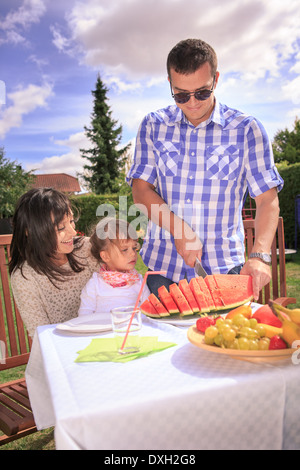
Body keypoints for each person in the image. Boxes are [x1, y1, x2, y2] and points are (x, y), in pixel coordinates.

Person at [127, 38, 284, 301]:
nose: (192, 103)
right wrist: (180, 230)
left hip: (225, 269)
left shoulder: (246, 130)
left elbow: (267, 200)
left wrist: (259, 254)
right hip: (163, 269)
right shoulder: (153, 125)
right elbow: (141, 192)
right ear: (170, 84)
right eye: (181, 95)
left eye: (202, 92)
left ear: (216, 79)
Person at [9, 188, 100, 338]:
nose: (73, 232)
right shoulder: (26, 278)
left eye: (71, 222)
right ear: (30, 232)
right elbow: (41, 336)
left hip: (103, 339)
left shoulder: (87, 249)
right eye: (61, 227)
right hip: (63, 349)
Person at [78, 217, 150, 316]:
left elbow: (148, 311)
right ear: (106, 256)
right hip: (102, 330)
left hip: (132, 329)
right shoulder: (95, 284)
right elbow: (84, 315)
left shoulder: (138, 281)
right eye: (124, 250)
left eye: (134, 248)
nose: (133, 254)